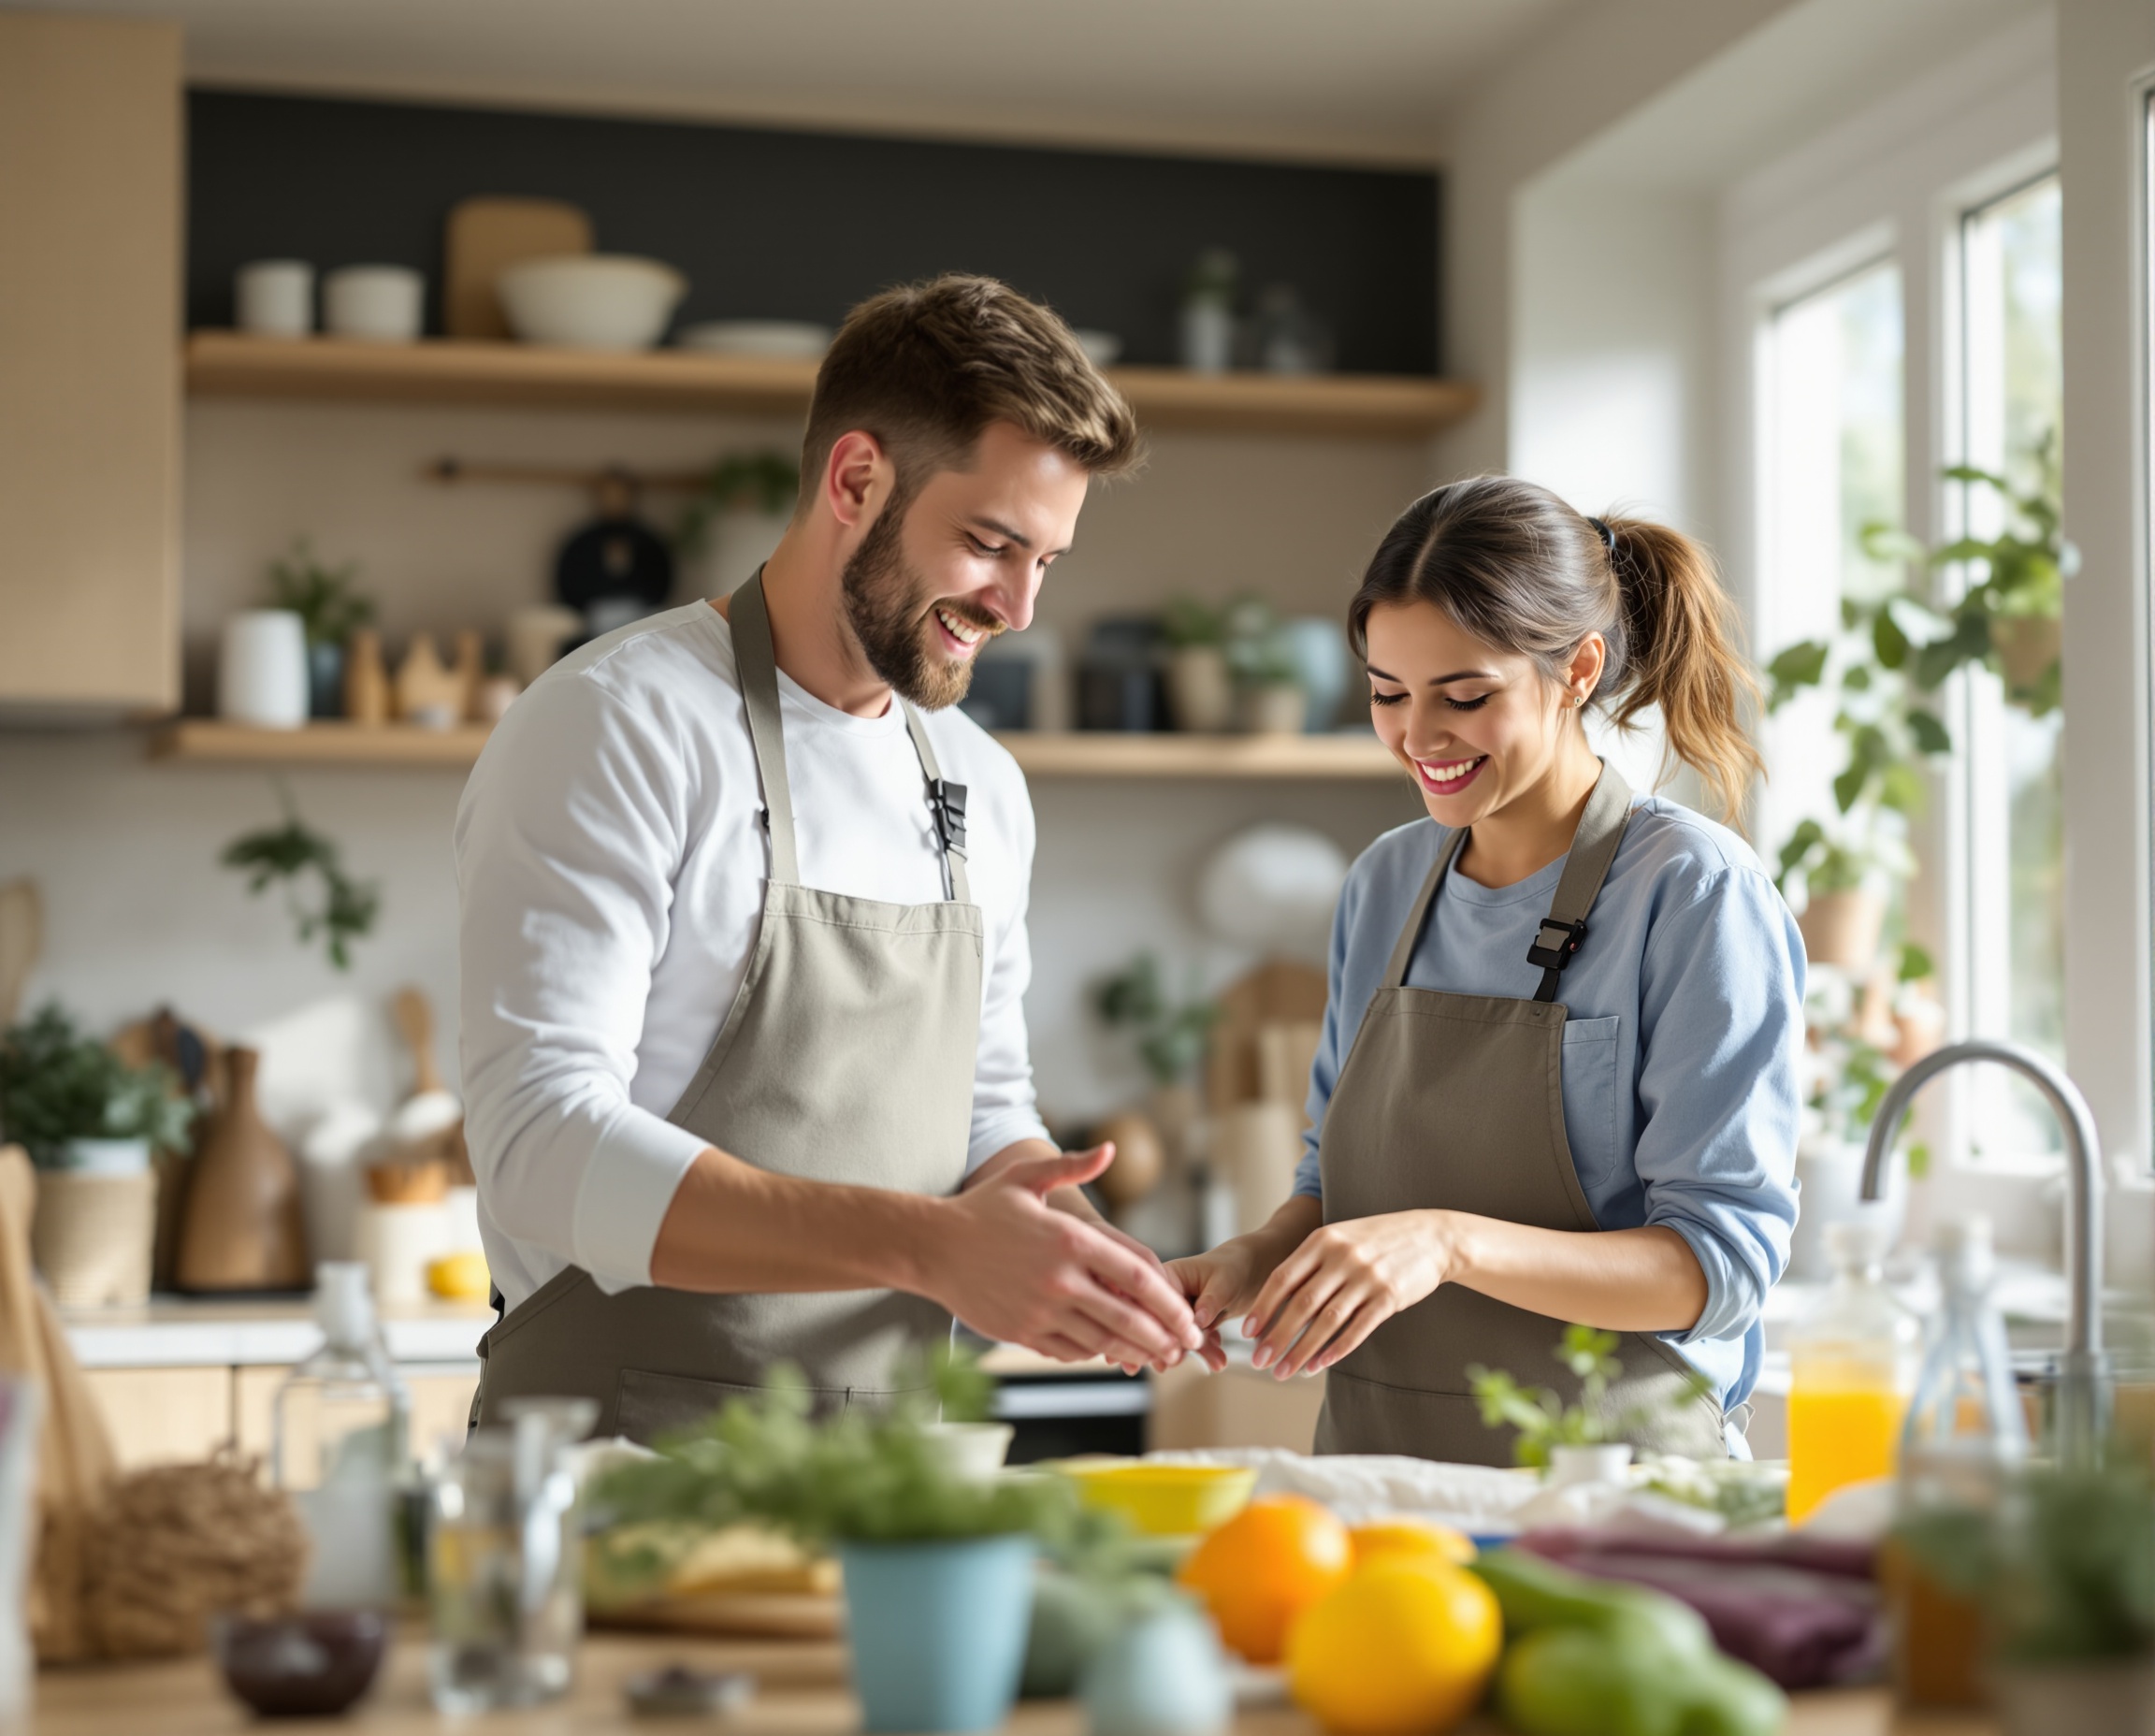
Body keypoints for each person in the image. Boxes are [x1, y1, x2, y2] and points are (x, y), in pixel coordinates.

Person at [458, 275, 1201, 1440]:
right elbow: (540, 1146)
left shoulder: (980, 783)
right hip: (622, 1460)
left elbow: (984, 1101)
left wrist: (1050, 1231)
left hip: (887, 1471)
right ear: (856, 479)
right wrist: (929, 1243)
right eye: (990, 543)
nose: (1017, 605)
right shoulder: (618, 721)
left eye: (1046, 559)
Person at [1168, 476, 1802, 1463]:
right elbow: (1330, 1181)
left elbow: (1716, 1265)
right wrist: (1253, 1258)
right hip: (1382, 1480)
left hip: (1614, 1490)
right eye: (1387, 694)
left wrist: (1448, 1242)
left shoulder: (1692, 892)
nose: (1420, 738)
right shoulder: (1385, 880)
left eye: (1465, 695)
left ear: (1580, 668)